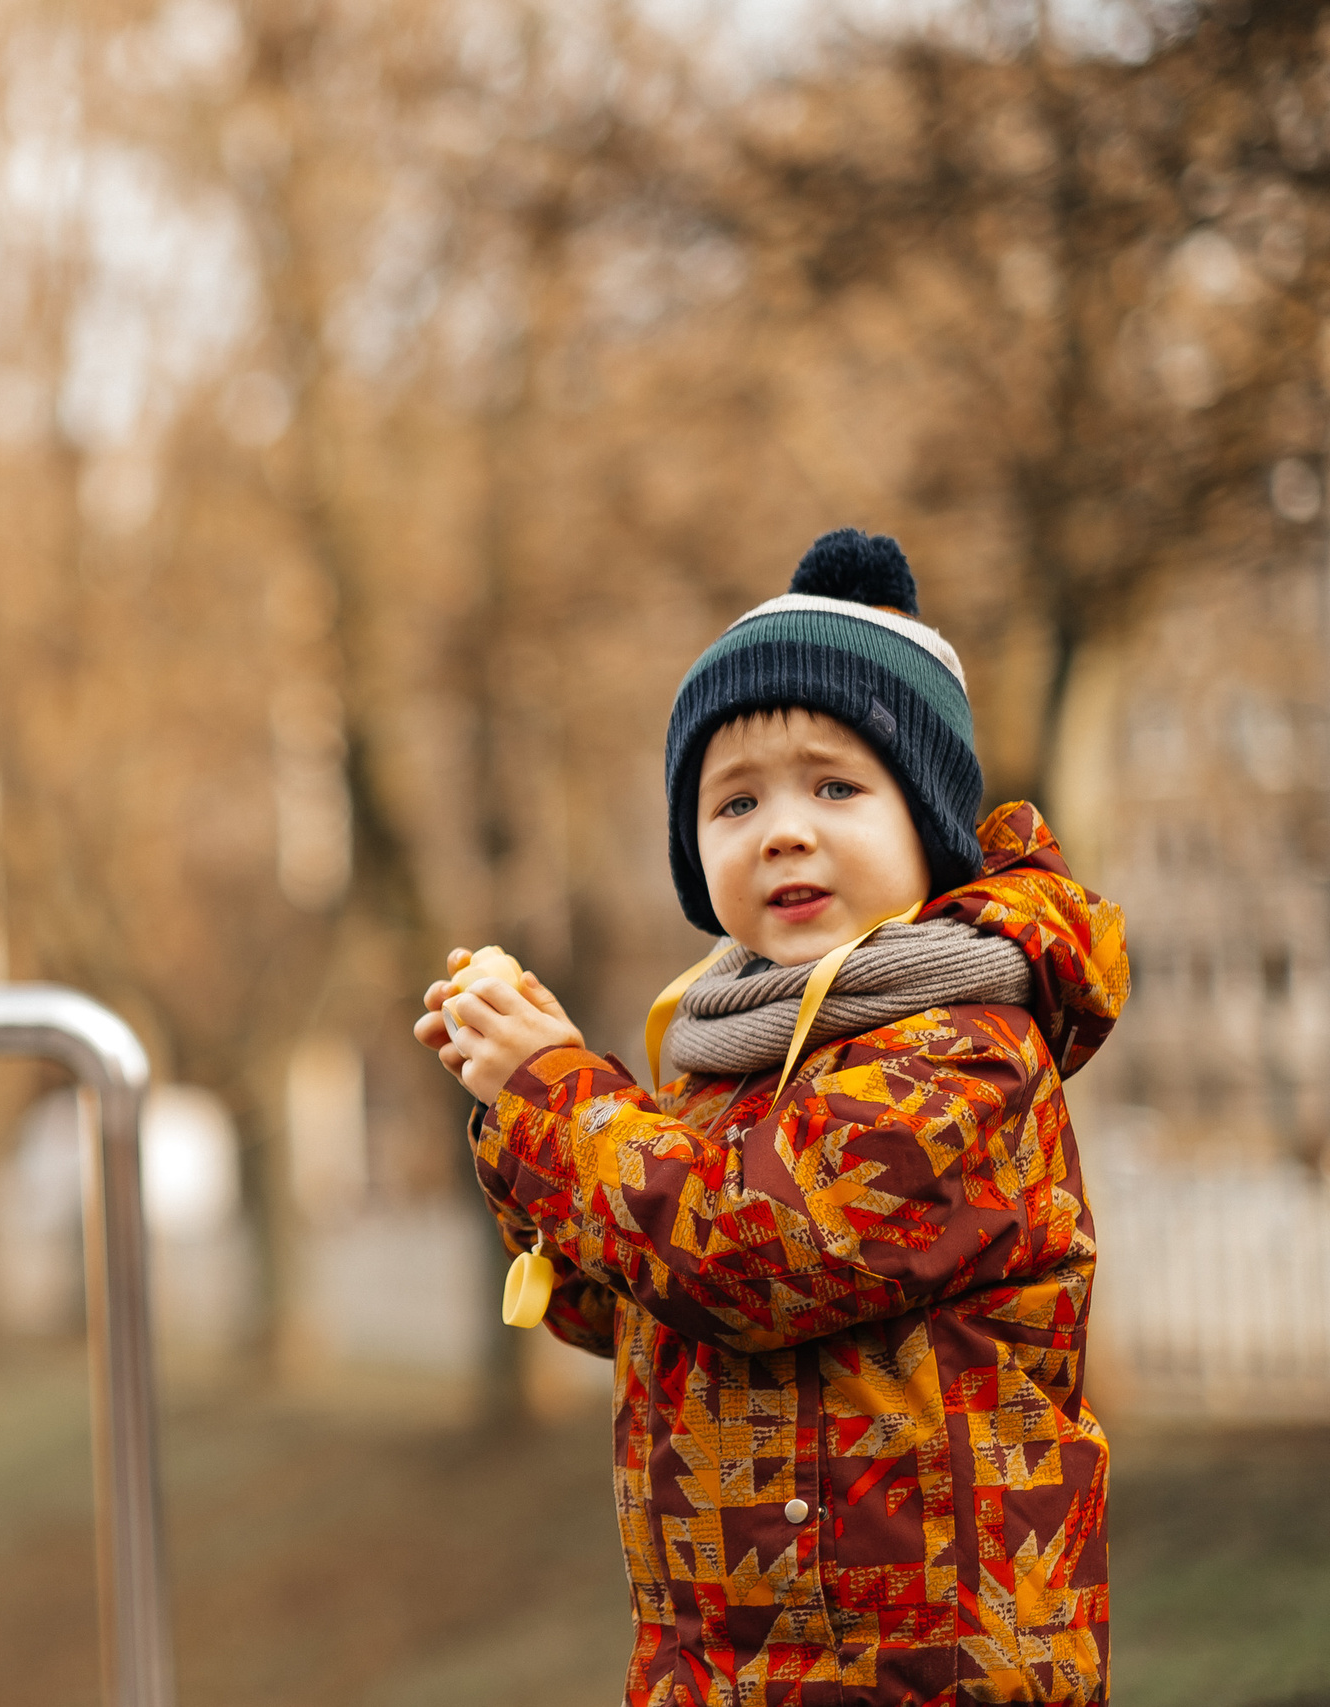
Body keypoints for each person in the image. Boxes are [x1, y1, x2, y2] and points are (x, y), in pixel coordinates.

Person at [413, 529, 1128, 1706]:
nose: (782, 829)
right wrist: (516, 1113)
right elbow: (620, 1303)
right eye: (733, 801)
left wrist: (555, 1094)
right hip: (732, 1669)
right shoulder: (722, 1059)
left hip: (920, 1675)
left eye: (835, 786)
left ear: (929, 828)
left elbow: (745, 1252)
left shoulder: (961, 1053)